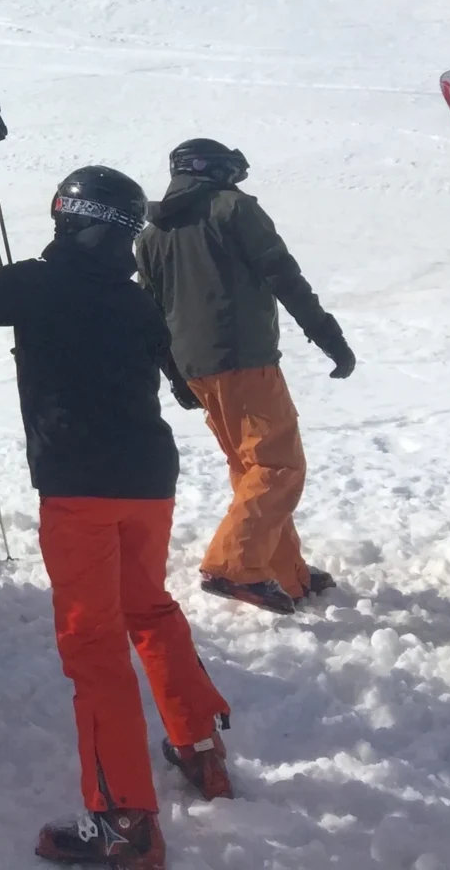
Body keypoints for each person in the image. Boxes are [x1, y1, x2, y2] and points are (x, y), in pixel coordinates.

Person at [0, 168, 233, 870]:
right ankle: (200, 746)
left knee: (94, 646)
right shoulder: (134, 299)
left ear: (70, 220)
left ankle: (124, 822)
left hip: (81, 488)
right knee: (149, 609)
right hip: (148, 480)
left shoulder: (42, 283)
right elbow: (167, 362)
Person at [134, 139, 354, 616]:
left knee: (251, 470)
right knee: (278, 467)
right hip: (245, 361)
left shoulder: (151, 235)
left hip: (198, 370)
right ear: (213, 171)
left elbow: (150, 312)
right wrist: (327, 335)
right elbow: (283, 275)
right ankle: (233, 567)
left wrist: (174, 375)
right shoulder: (232, 209)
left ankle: (282, 574)